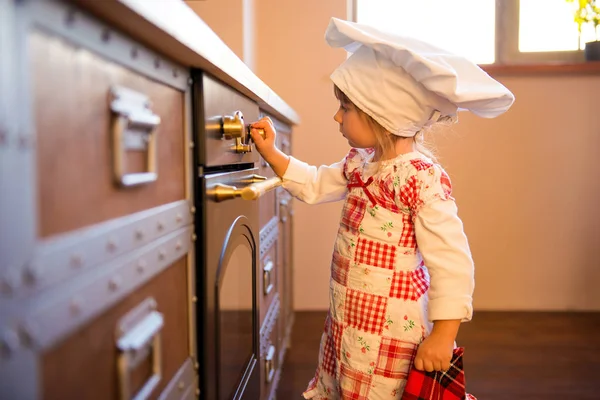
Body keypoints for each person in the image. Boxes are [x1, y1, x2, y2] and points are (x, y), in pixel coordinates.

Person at [250, 17, 514, 400]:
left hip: (393, 334)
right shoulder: (360, 164)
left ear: (380, 116)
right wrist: (273, 153)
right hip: (348, 321)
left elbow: (452, 259)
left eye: (345, 108)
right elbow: (315, 183)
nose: (337, 117)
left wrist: (443, 334)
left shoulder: (419, 179)